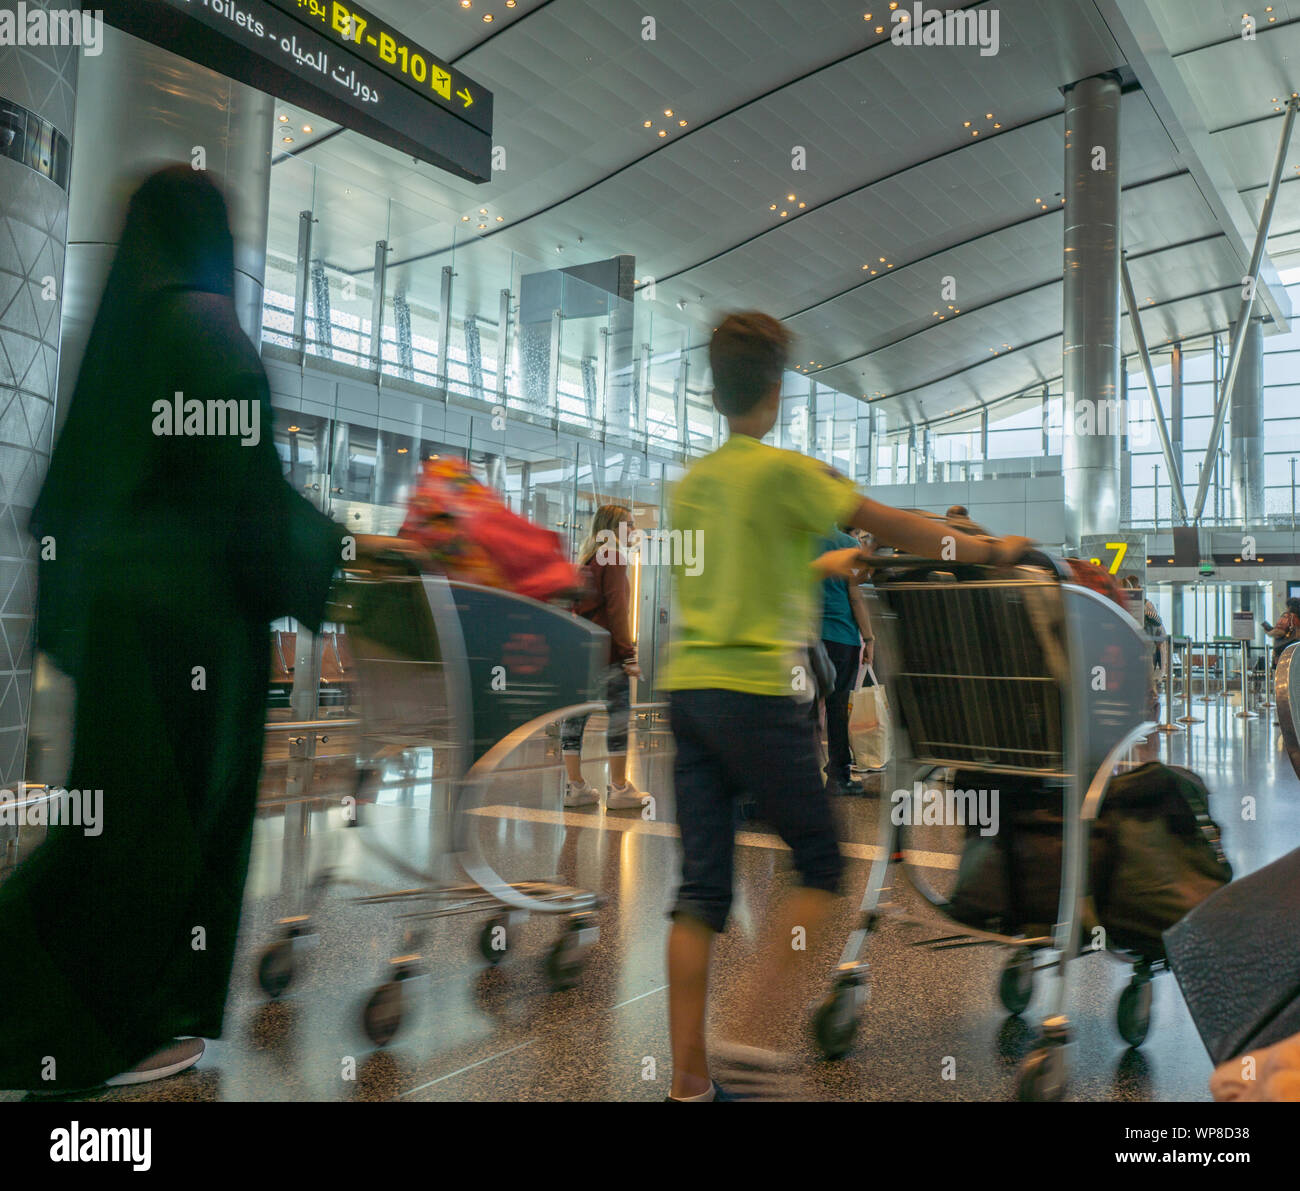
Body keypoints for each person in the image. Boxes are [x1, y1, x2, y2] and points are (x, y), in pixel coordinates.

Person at [0, 167, 344, 1092]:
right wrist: (329, 554)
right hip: (186, 645)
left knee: (108, 840)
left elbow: (75, 494)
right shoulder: (207, 324)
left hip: (122, 635)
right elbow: (246, 495)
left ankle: (68, 1021)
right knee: (155, 846)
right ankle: (98, 1030)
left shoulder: (127, 332)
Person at [661, 311, 1032, 1101]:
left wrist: (832, 560)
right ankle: (752, 1046)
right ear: (777, 387)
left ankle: (688, 1080)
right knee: (821, 864)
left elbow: (750, 568)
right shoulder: (786, 471)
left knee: (698, 890)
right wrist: (993, 551)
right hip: (758, 693)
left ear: (718, 386)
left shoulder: (692, 485)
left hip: (688, 691)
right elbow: (899, 525)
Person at [561, 504, 648, 810]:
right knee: (619, 718)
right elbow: (617, 611)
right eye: (629, 524)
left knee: (574, 719)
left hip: (581, 652)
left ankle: (575, 787)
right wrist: (628, 656)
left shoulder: (587, 558)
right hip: (607, 653)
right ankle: (620, 788)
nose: (634, 530)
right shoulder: (612, 558)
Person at [816, 522, 875, 796]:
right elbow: (854, 595)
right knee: (838, 708)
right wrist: (869, 638)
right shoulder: (848, 545)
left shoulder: (803, 541)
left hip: (807, 636)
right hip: (841, 637)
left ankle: (802, 774)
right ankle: (839, 776)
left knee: (804, 709)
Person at [1263, 597, 1300, 670]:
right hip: (1297, 651)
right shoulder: (1298, 617)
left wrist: (1269, 632)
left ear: (1289, 606)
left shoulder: (1287, 616)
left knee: (1283, 676)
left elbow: (1279, 632)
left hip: (1285, 653)